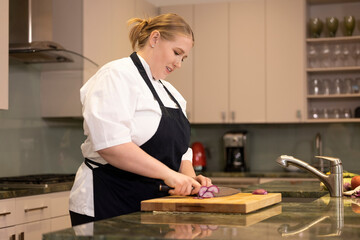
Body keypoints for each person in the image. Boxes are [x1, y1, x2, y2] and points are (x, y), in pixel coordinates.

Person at [69, 13, 212, 226]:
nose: (179, 63)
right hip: (109, 202)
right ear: (155, 39)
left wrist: (190, 180)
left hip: (152, 208)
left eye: (183, 58)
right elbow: (111, 145)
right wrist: (170, 176)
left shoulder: (173, 94)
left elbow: (181, 151)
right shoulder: (115, 75)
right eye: (176, 53)